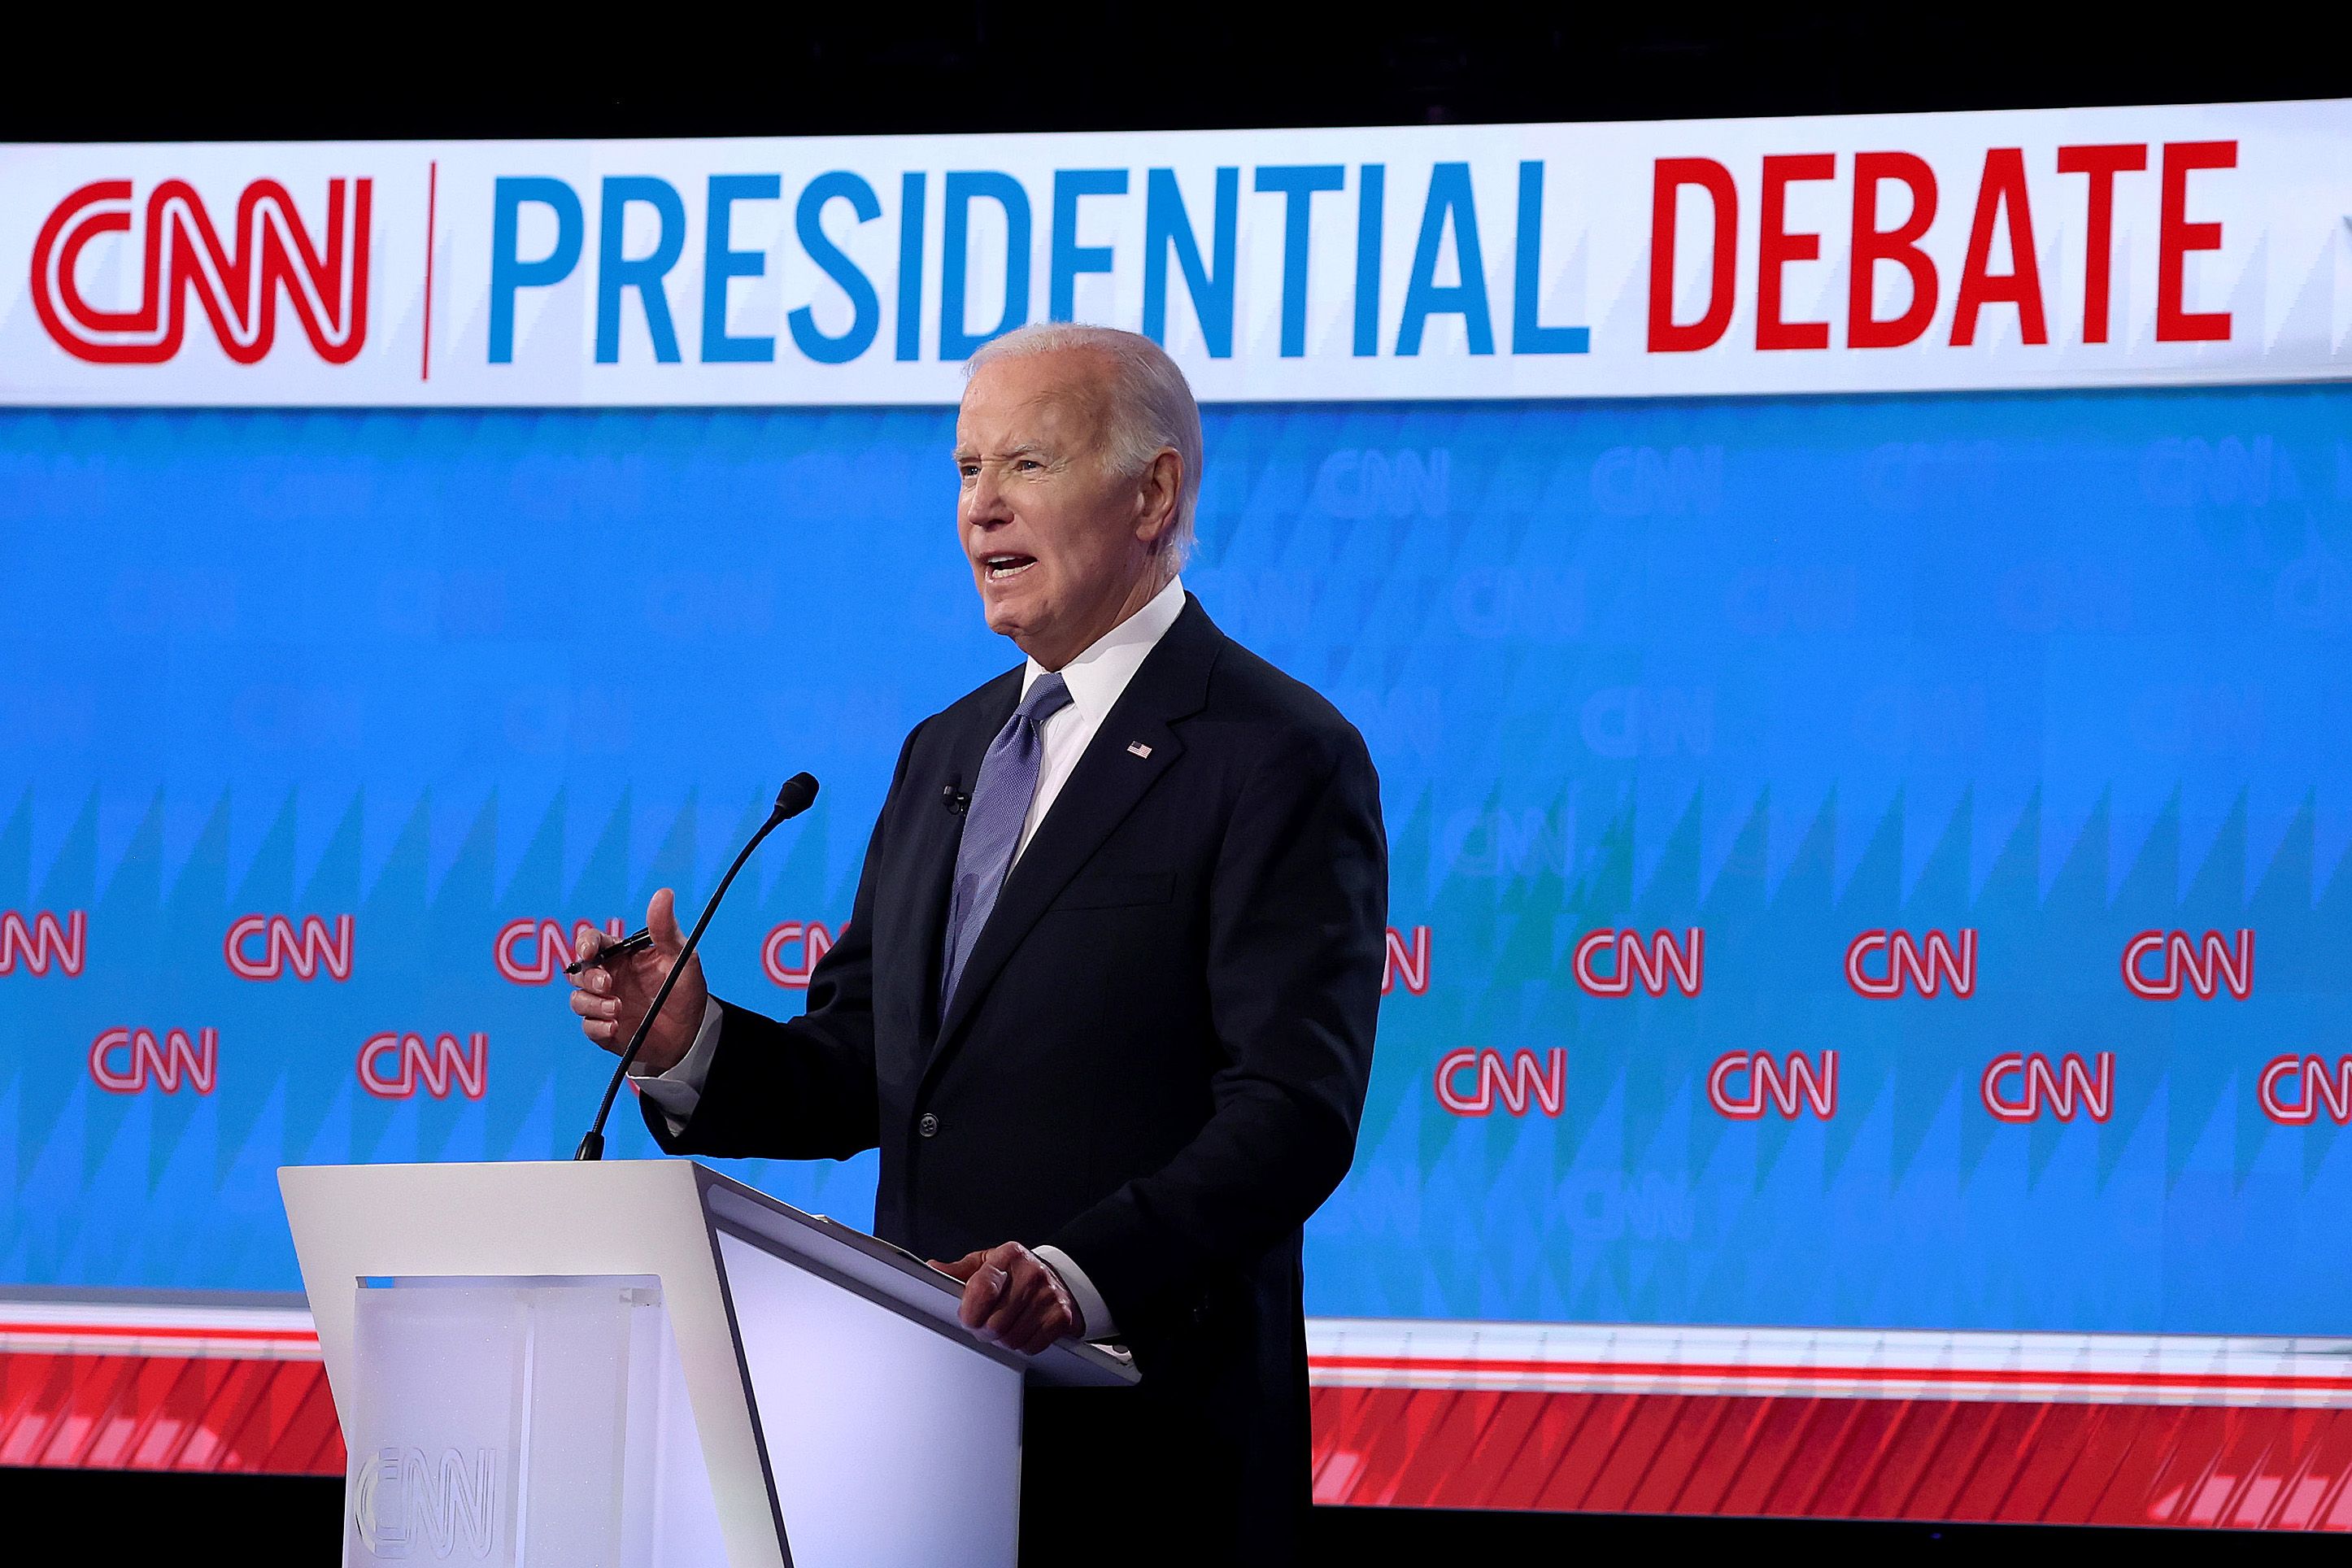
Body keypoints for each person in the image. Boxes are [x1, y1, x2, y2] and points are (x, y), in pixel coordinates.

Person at [567, 322, 1386, 1565]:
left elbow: (1292, 1113)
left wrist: (1077, 1268)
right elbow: (869, 1065)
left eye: (1029, 468)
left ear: (1154, 491)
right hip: (924, 1441)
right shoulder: (946, 753)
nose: (982, 510)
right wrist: (694, 1047)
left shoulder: (1273, 753)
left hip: (1149, 1460)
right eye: (966, 471)